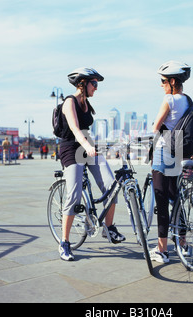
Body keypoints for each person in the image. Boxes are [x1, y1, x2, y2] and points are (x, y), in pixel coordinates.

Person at [58, 67, 125, 261]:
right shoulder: (69, 102)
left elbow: (86, 131)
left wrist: (94, 146)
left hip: (88, 146)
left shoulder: (86, 103)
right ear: (82, 83)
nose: (96, 88)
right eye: (94, 83)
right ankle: (64, 242)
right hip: (72, 148)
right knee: (74, 194)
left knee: (112, 185)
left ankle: (109, 228)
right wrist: (87, 146)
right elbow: (75, 129)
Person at [150, 60, 192, 263]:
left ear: (172, 81)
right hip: (177, 151)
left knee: (161, 201)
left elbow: (156, 127)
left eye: (163, 80)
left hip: (162, 152)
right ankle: (183, 244)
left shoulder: (169, 100)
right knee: (176, 199)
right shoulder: (188, 101)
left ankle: (162, 250)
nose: (161, 84)